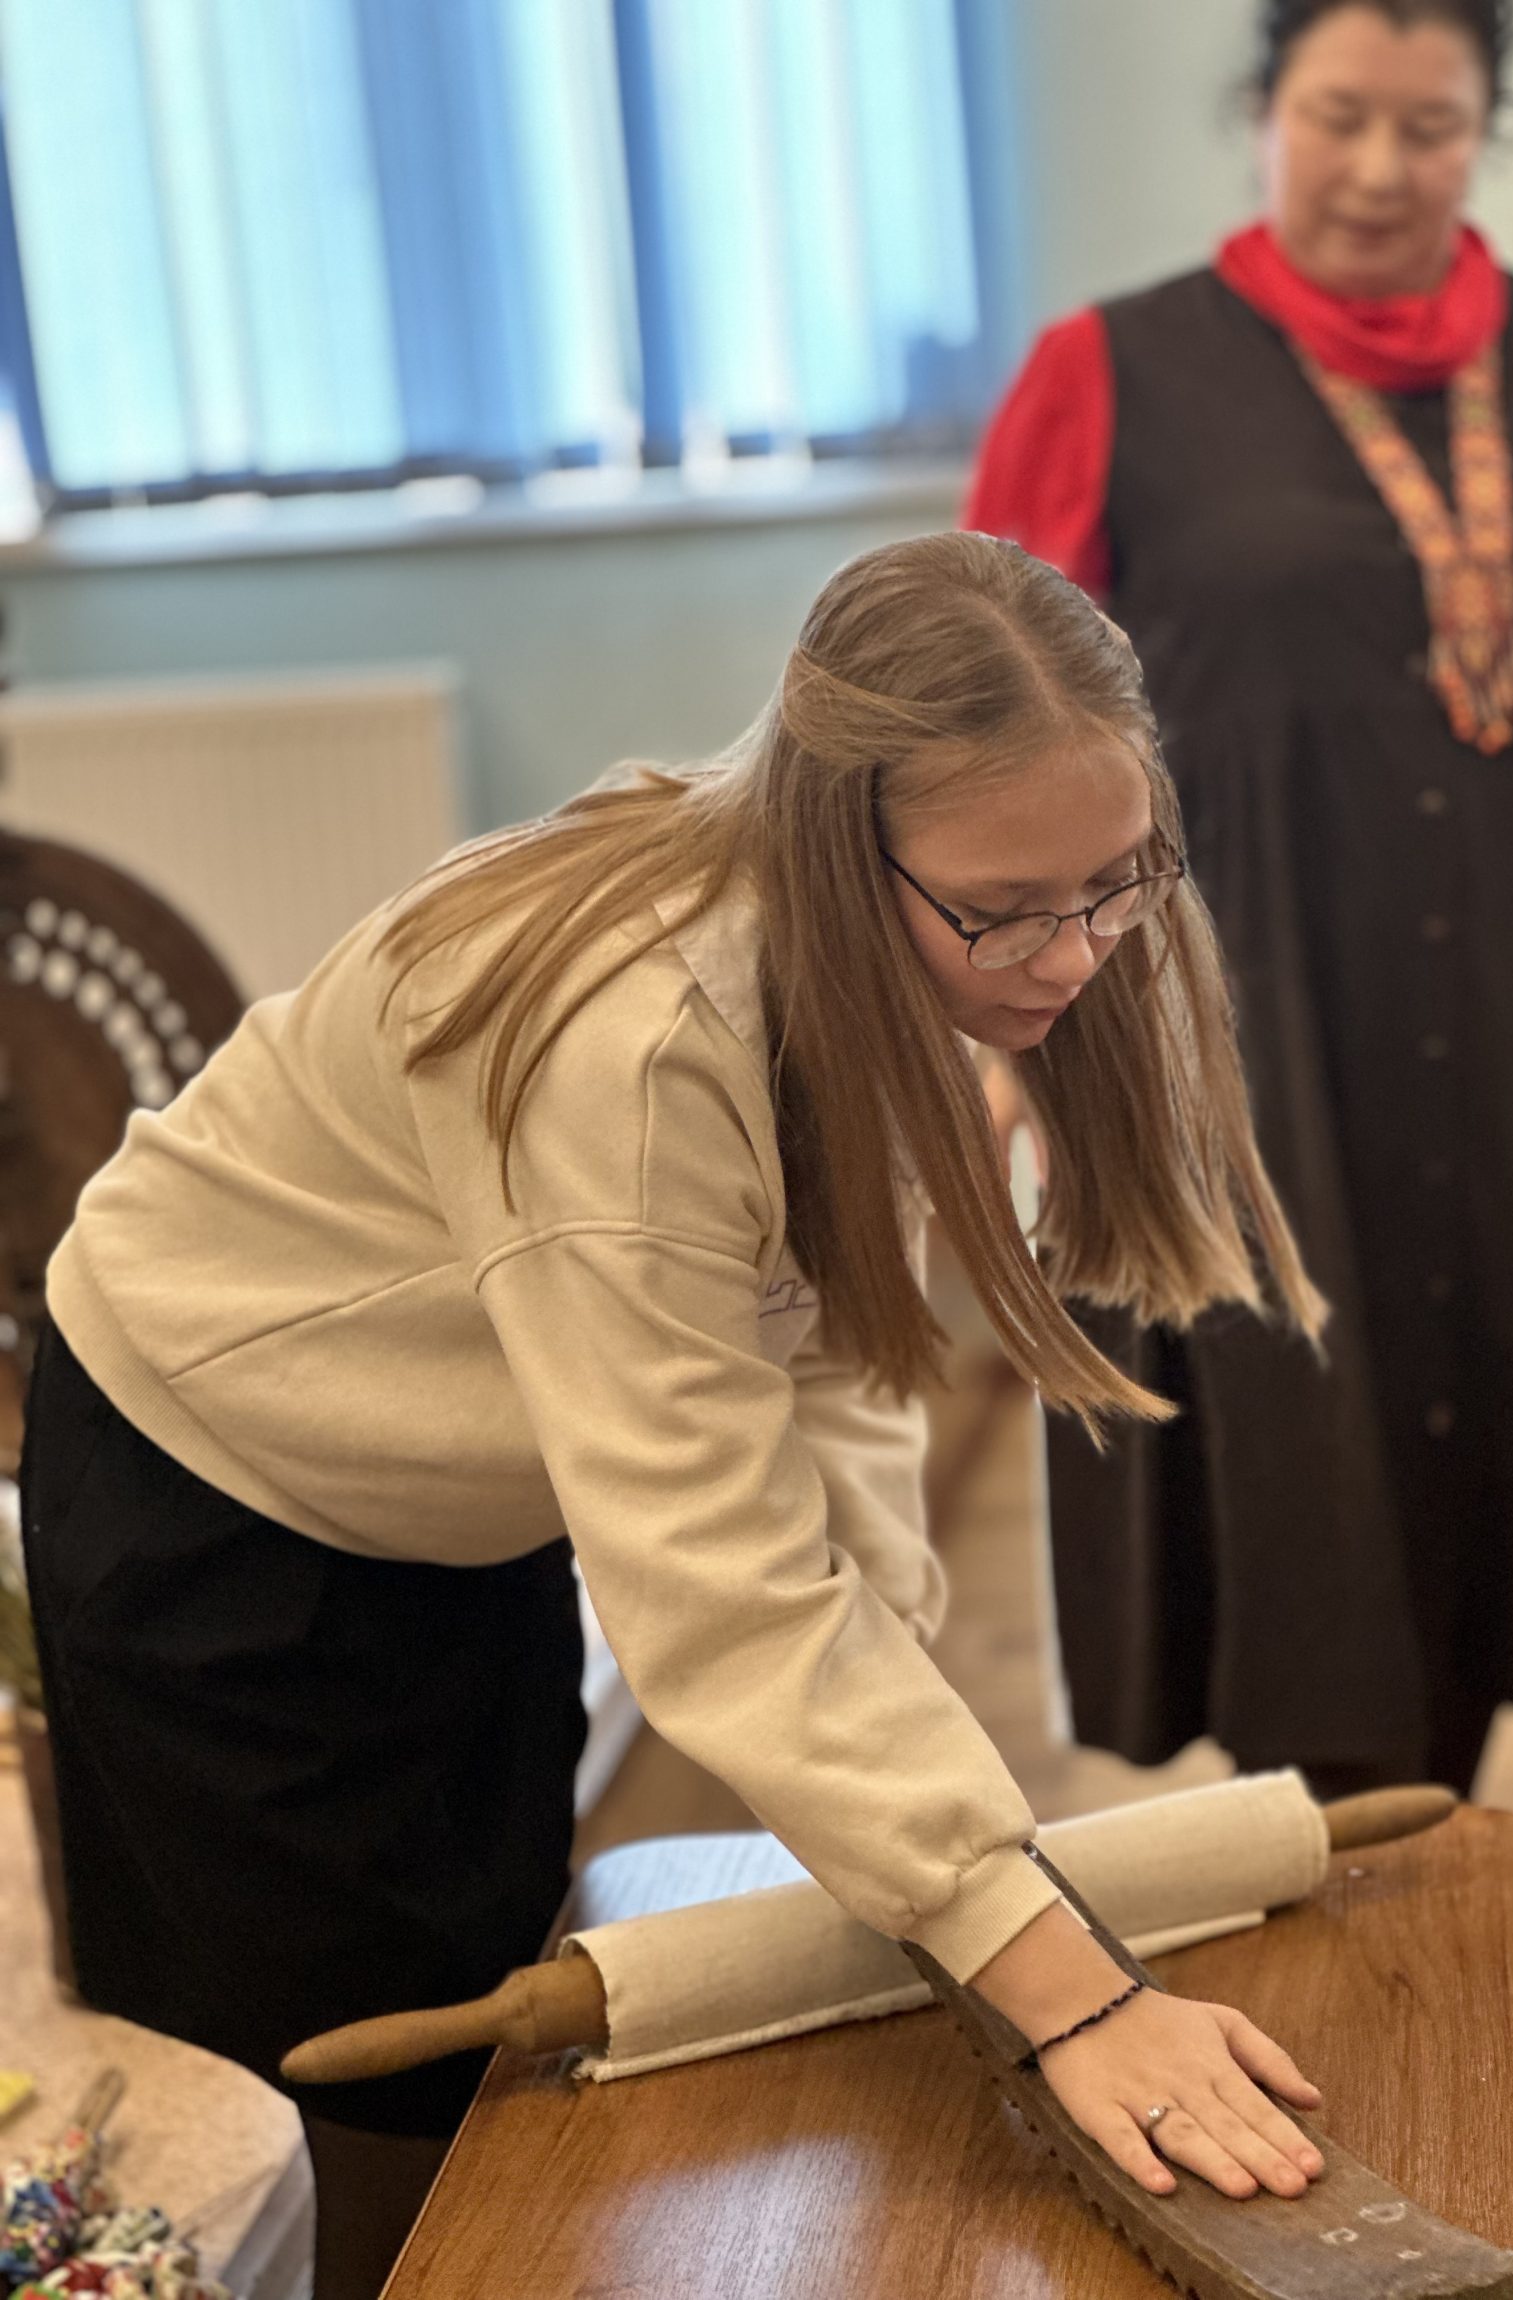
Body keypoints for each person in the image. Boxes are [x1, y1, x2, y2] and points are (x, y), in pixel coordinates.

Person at [22, 533, 1333, 2300]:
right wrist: (1064, 1987)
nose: (1073, 956)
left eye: (1114, 884)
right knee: (348, 2074)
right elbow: (718, 1585)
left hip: (451, 1489)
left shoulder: (879, 964)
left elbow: (835, 1355)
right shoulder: (631, 1048)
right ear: (840, 838)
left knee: (487, 1983)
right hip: (215, 1483)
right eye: (1006, 909)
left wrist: (922, 1812)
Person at [966, 0, 1513, 1805]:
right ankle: (1342, 1884)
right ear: (1261, 112)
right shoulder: (1109, 369)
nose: (1380, 167)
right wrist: (984, 1022)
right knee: (1297, 1484)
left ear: (1485, 131)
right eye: (1336, 116)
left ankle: (1415, 1879)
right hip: (1233, 1015)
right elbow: (978, 722)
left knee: (1495, 1453)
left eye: (1429, 125)